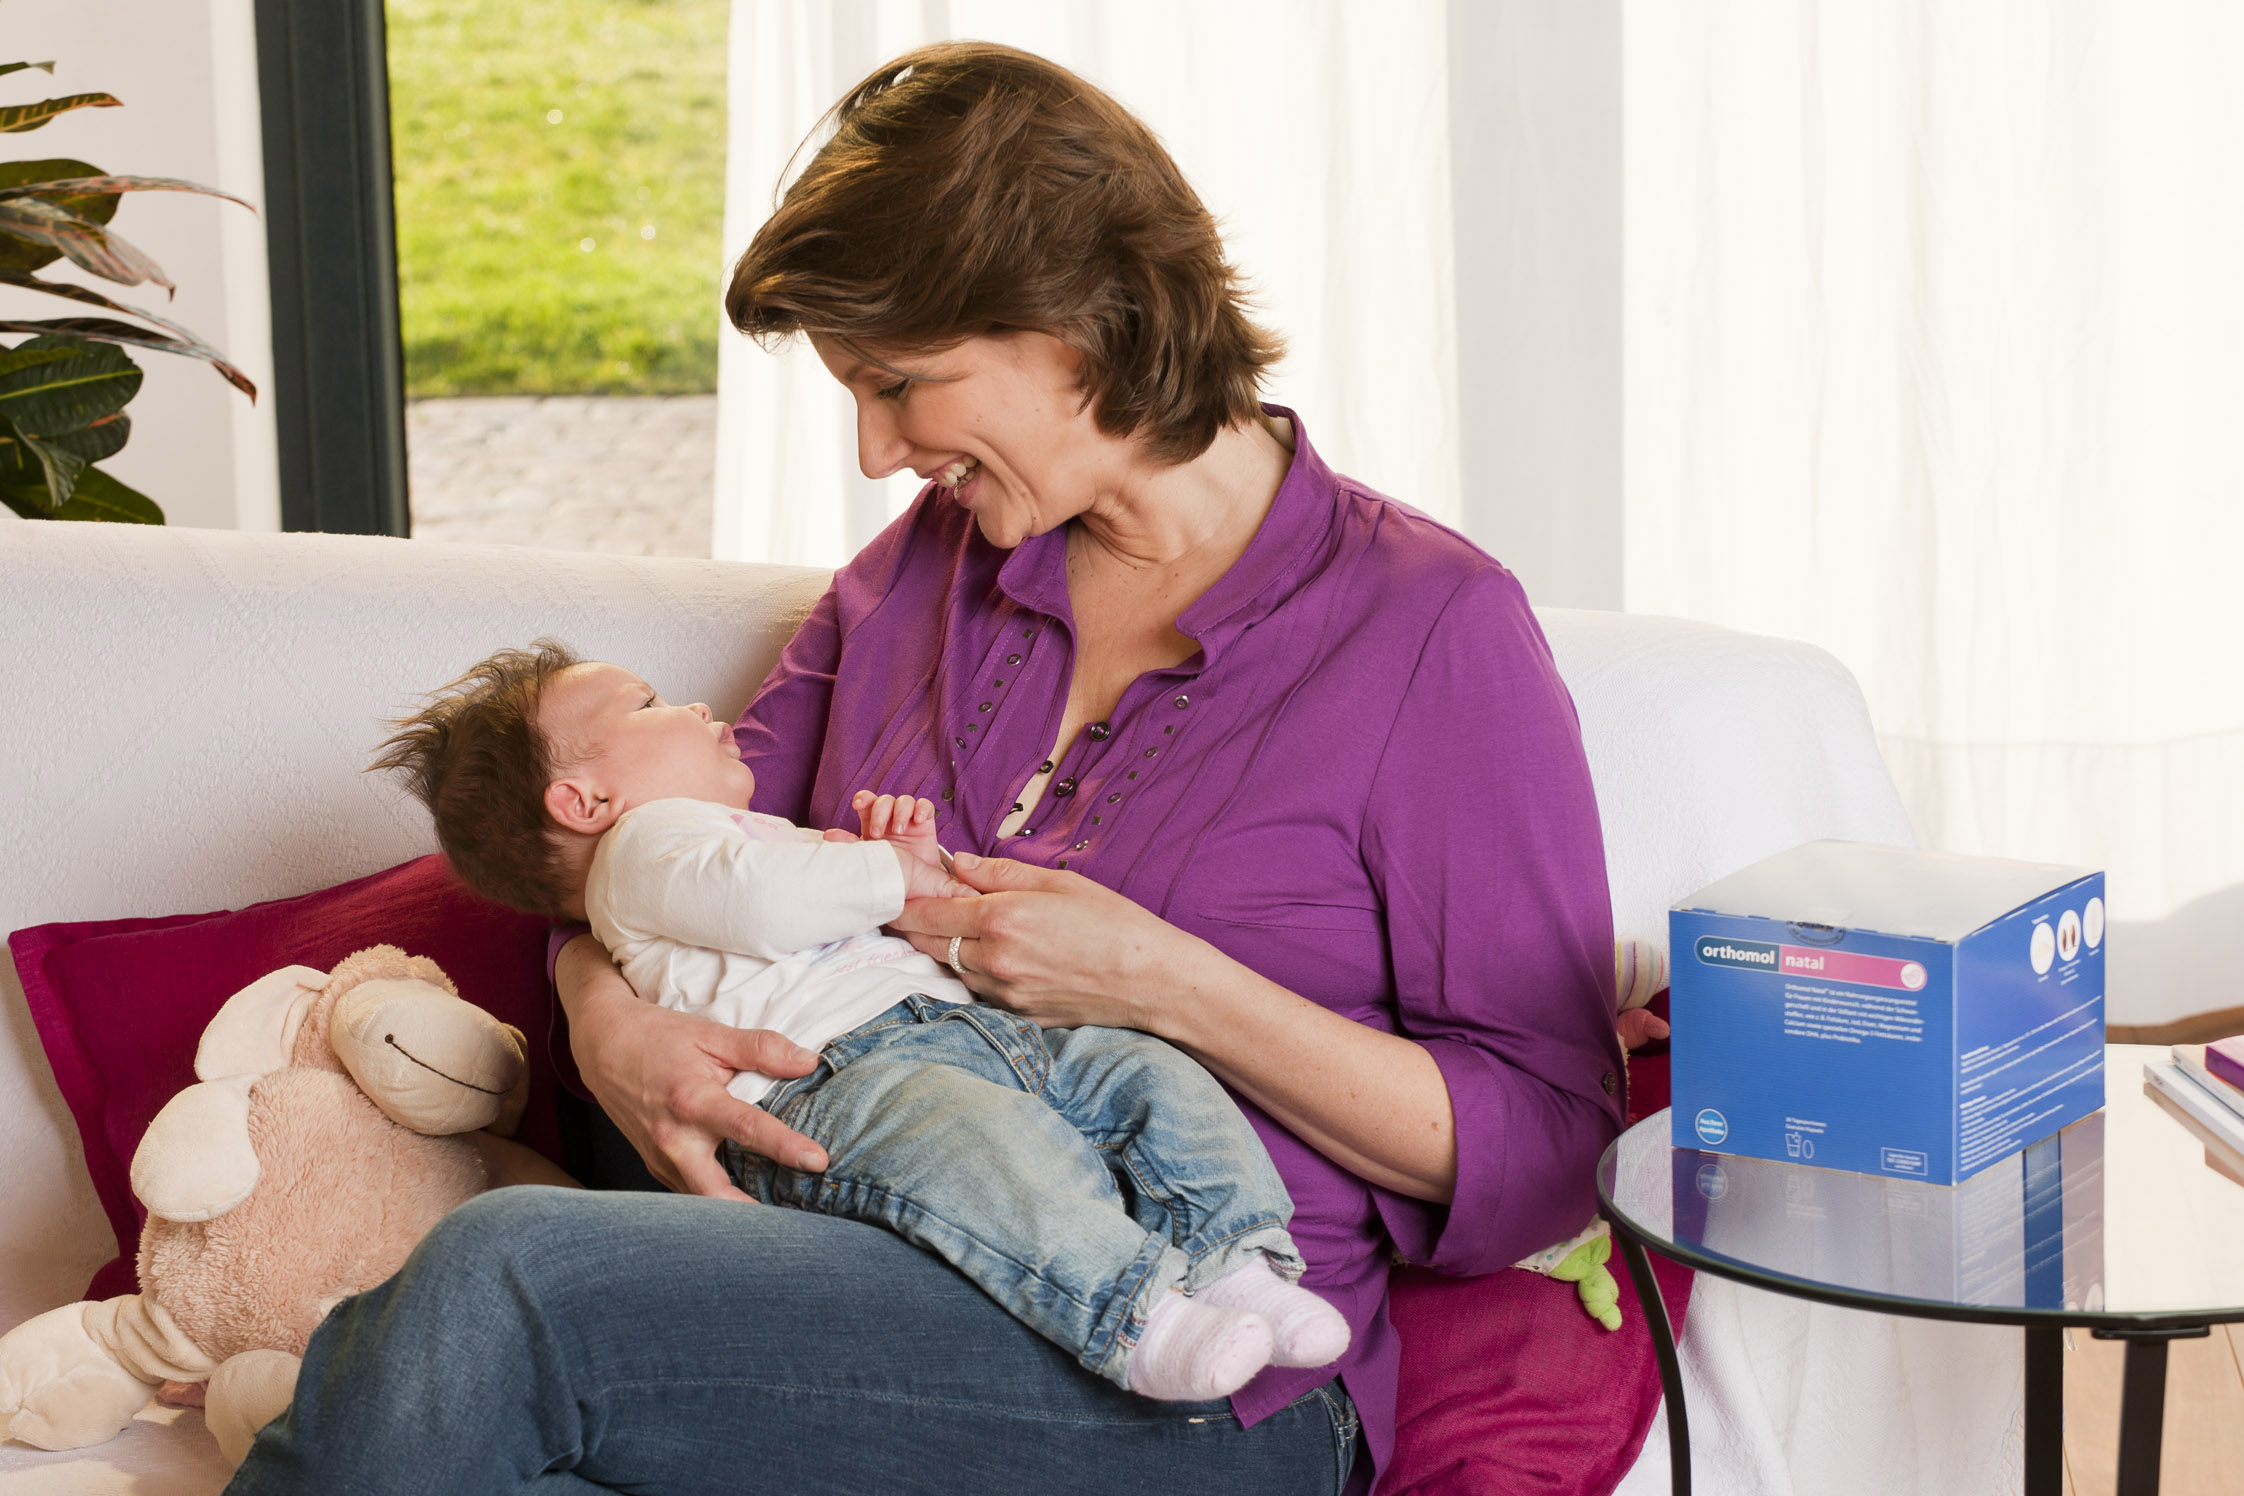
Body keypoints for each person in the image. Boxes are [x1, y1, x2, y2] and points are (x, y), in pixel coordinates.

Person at [228, 40, 1625, 1496]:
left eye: (902, 383)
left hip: (1197, 1374)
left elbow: (1545, 1143)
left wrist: (1164, 982)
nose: (876, 449)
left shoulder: (1427, 633)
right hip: (845, 1260)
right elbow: (649, 855)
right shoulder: (921, 582)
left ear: (1085, 325)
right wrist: (602, 1023)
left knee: (505, 1284)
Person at [370, 642, 1350, 1401]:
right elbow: (766, 906)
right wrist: (885, 873)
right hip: (840, 1079)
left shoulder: (718, 842)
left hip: (962, 1030)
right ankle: (1135, 1317)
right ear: (585, 800)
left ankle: (1236, 1259)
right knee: (985, 1159)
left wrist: (895, 863)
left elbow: (804, 900)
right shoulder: (647, 847)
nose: (697, 705)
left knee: (1145, 1071)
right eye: (647, 703)